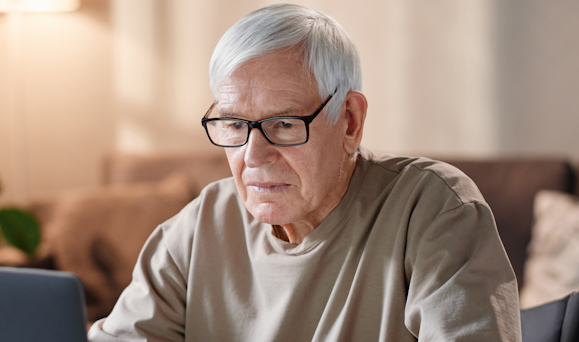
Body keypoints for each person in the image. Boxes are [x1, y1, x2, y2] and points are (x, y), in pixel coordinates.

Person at [88, 4, 521, 341]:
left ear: (349, 120)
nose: (254, 155)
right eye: (235, 124)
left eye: (284, 124)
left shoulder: (432, 208)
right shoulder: (200, 225)